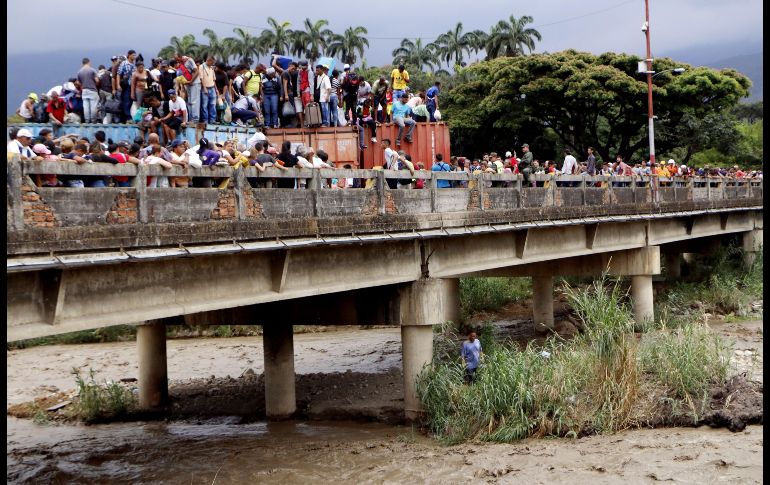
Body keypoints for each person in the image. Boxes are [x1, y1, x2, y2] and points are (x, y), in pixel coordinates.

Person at [116, 50, 137, 123]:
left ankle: (124, 119)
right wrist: (118, 85)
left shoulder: (134, 65)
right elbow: (118, 74)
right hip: (126, 85)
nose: (134, 56)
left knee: (130, 102)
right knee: (126, 102)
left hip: (132, 85)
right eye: (133, 55)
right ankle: (128, 118)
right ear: (129, 55)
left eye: (135, 55)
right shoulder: (124, 63)